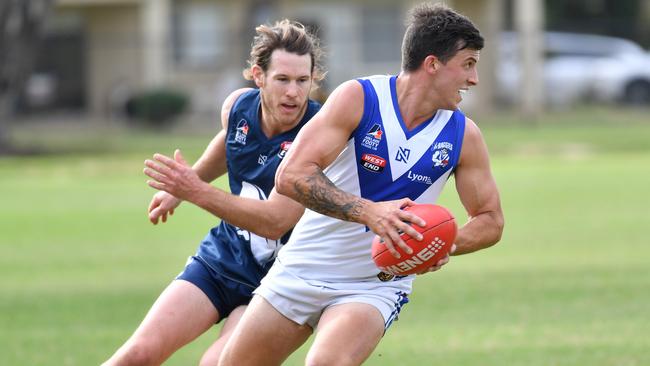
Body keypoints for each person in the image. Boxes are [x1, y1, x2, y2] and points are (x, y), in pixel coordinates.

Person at [218, 3, 505, 366]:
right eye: (468, 64)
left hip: (373, 285)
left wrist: (442, 243)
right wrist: (370, 213)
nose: (474, 78)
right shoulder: (359, 98)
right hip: (302, 266)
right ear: (432, 64)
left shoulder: (464, 135)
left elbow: (490, 220)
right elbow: (290, 176)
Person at [102, 19, 324, 366]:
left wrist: (194, 190)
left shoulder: (320, 134)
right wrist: (188, 181)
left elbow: (275, 223)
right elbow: (230, 144)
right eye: (282, 79)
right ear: (258, 76)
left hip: (282, 281)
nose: (293, 92)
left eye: (302, 81)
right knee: (137, 354)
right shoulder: (237, 108)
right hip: (225, 258)